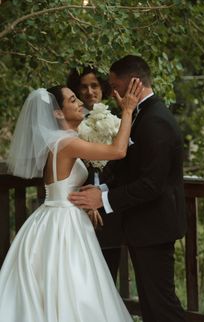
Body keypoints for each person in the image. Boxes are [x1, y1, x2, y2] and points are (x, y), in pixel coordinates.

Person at [0, 80, 143, 322]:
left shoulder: (58, 141)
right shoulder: (66, 143)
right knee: (73, 283)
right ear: (57, 112)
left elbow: (61, 185)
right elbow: (118, 151)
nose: (80, 103)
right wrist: (128, 110)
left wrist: (82, 197)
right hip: (64, 224)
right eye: (72, 100)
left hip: (56, 214)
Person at [69, 55, 187, 322]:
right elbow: (130, 170)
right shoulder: (140, 114)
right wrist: (103, 189)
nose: (112, 92)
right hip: (144, 228)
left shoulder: (155, 119)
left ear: (133, 83)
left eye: (114, 84)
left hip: (155, 228)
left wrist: (104, 199)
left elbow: (151, 184)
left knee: (162, 306)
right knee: (151, 305)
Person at [67, 66, 123, 282]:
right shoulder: (70, 125)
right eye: (83, 87)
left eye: (94, 85)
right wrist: (86, 200)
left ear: (103, 88)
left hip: (111, 205)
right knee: (81, 272)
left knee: (109, 270)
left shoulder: (119, 121)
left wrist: (101, 196)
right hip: (78, 205)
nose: (90, 91)